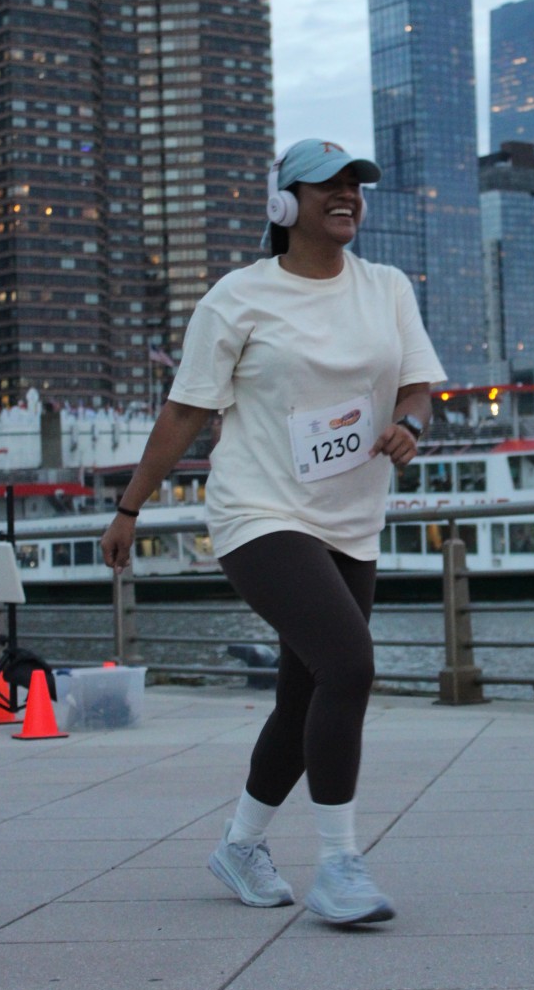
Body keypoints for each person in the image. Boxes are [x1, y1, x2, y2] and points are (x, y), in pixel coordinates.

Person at [100, 139, 447, 924]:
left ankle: (240, 845)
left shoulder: (387, 288)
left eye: (356, 185)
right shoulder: (239, 297)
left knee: (305, 695)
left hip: (351, 520)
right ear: (284, 203)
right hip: (259, 511)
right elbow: (185, 411)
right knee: (349, 665)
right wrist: (130, 508)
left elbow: (418, 388)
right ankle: (340, 866)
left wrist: (411, 426)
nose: (348, 196)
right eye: (329, 185)